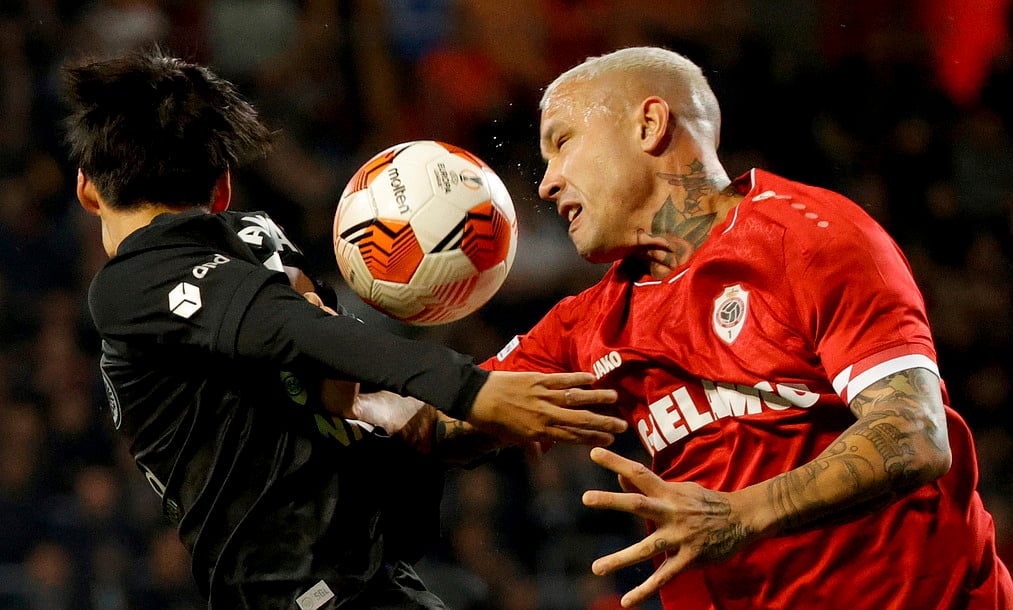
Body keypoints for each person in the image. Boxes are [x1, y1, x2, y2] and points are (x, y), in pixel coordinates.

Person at [62, 49, 626, 609]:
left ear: (88, 188)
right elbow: (296, 335)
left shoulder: (159, 273)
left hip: (328, 583)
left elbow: (326, 376)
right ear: (223, 186)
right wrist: (460, 394)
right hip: (313, 589)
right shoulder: (189, 269)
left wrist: (463, 405)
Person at [482, 46, 1013, 609]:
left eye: (563, 142)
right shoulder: (589, 322)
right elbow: (441, 417)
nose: (547, 183)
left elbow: (914, 435)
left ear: (649, 124)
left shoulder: (811, 239)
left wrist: (740, 515)